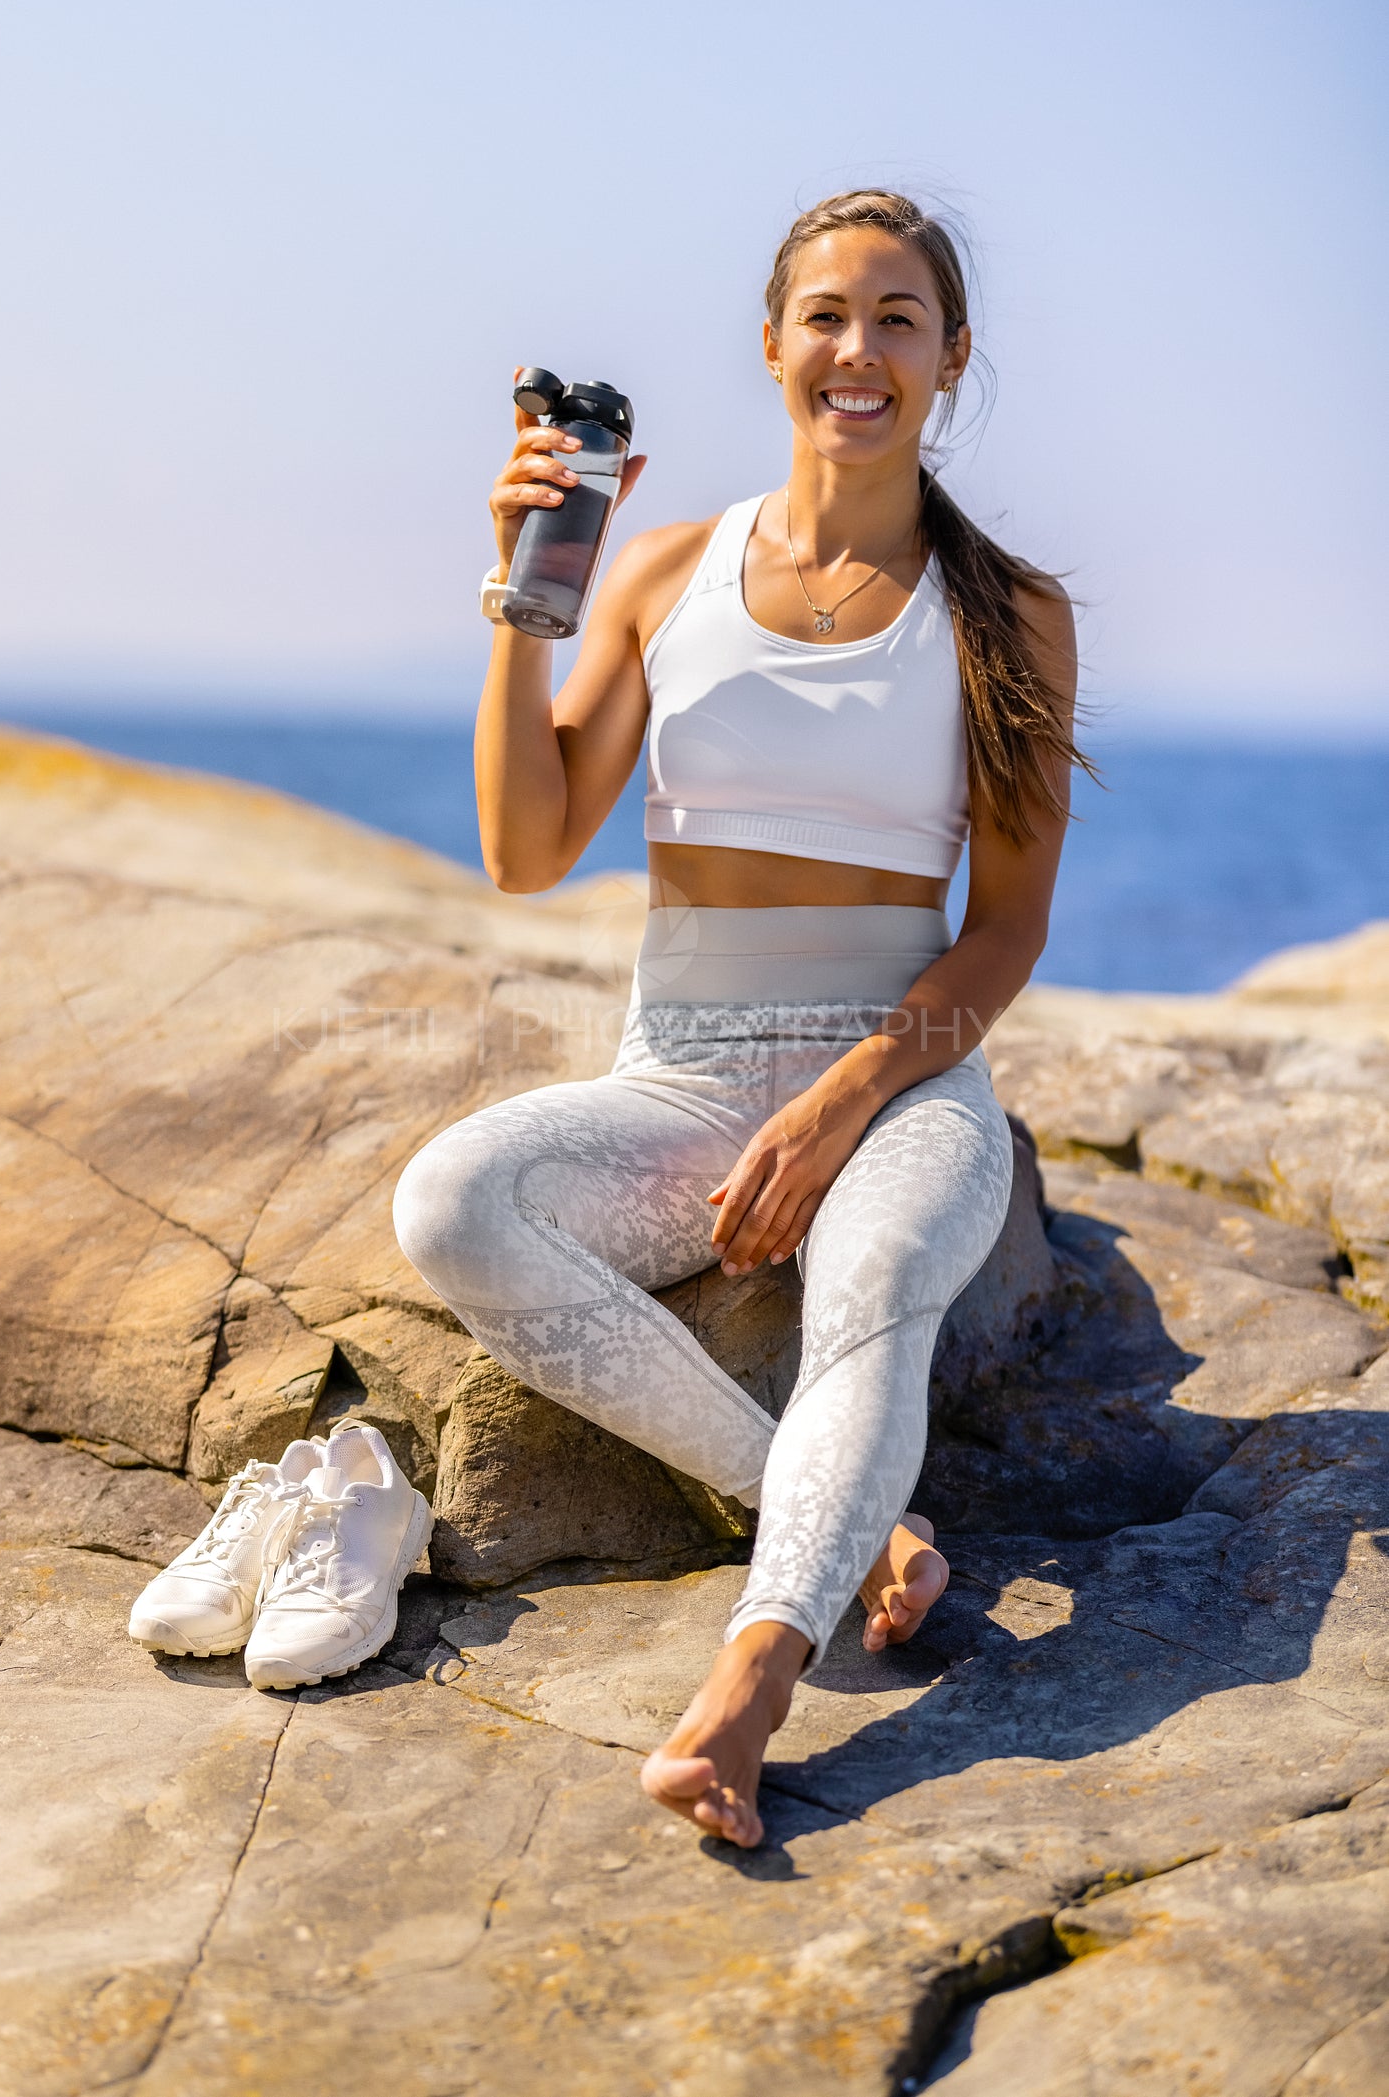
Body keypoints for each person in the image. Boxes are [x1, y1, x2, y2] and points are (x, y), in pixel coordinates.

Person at [392, 189, 1084, 1849]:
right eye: (827, 317)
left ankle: (751, 1686)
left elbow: (1001, 936)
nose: (859, 352)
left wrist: (849, 1097)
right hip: (685, 1073)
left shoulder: (1008, 614)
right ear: (772, 345)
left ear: (953, 357)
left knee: (871, 1276)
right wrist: (523, 596)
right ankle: (853, 1513)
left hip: (903, 1069)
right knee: (453, 1203)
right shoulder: (660, 573)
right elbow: (525, 847)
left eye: (898, 319)